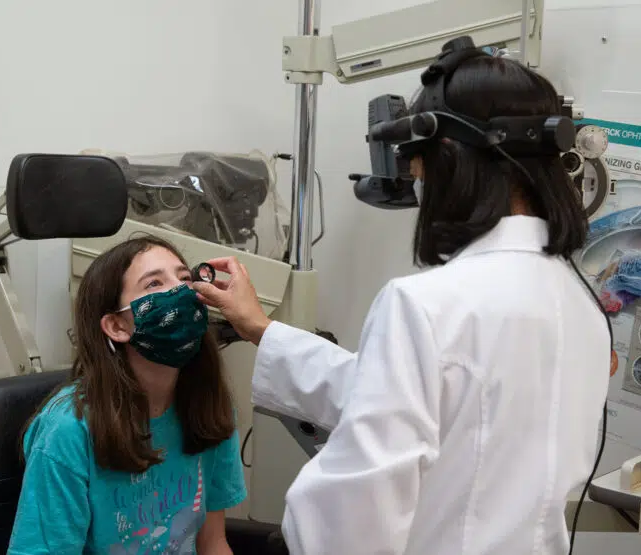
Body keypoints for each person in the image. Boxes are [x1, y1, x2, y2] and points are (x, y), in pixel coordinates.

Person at [192, 50, 611, 554]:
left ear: (449, 159)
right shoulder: (580, 305)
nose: (416, 182)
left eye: (418, 167)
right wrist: (261, 328)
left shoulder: (427, 305)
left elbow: (351, 518)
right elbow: (426, 402)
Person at [8, 236, 247, 555]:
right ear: (117, 326)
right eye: (154, 284)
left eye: (184, 278)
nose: (180, 290)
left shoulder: (209, 408)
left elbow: (212, 542)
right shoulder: (68, 431)